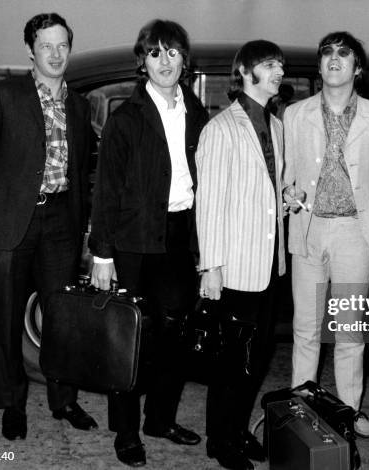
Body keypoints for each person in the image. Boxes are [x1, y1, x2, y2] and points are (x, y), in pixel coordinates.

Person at [0, 13, 96, 441]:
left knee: (61, 318)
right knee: (5, 319)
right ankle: (11, 404)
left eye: (62, 46)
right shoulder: (2, 95)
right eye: (46, 46)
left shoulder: (78, 105)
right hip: (7, 222)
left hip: (61, 223)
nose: (55, 55)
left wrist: (83, 229)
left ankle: (63, 400)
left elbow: (79, 172)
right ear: (30, 51)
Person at [88, 19, 209, 467]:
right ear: (143, 61)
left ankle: (160, 419)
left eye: (173, 52)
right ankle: (126, 432)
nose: (165, 61)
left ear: (184, 60)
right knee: (128, 341)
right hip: (133, 242)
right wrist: (102, 254)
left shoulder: (197, 113)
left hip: (180, 238)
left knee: (175, 337)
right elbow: (106, 192)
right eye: (155, 53)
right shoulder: (126, 118)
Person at [283, 31, 369, 439]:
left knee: (350, 332)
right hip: (309, 231)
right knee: (306, 329)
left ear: (357, 67)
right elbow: (284, 173)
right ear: (319, 66)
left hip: (354, 233)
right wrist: (287, 191)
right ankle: (300, 408)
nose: (334, 59)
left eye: (344, 54)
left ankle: (348, 412)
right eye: (327, 53)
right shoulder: (295, 114)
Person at [196, 40, 286, 470]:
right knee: (231, 362)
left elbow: (264, 193)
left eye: (280, 66)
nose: (279, 72)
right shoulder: (221, 129)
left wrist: (287, 197)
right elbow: (209, 205)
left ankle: (235, 430)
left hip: (268, 266)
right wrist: (210, 267)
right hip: (233, 268)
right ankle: (220, 440)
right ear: (247, 72)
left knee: (254, 361)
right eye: (270, 65)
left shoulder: (276, 125)